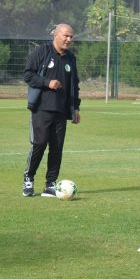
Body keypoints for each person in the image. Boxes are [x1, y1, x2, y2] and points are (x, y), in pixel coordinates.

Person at [22, 23, 81, 197]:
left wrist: (75, 107)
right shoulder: (41, 52)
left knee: (57, 148)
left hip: (61, 111)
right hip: (41, 108)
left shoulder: (71, 58)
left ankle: (50, 184)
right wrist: (47, 82)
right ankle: (29, 178)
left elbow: (74, 84)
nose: (69, 39)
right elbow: (28, 75)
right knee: (39, 144)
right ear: (56, 35)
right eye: (66, 36)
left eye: (71, 36)